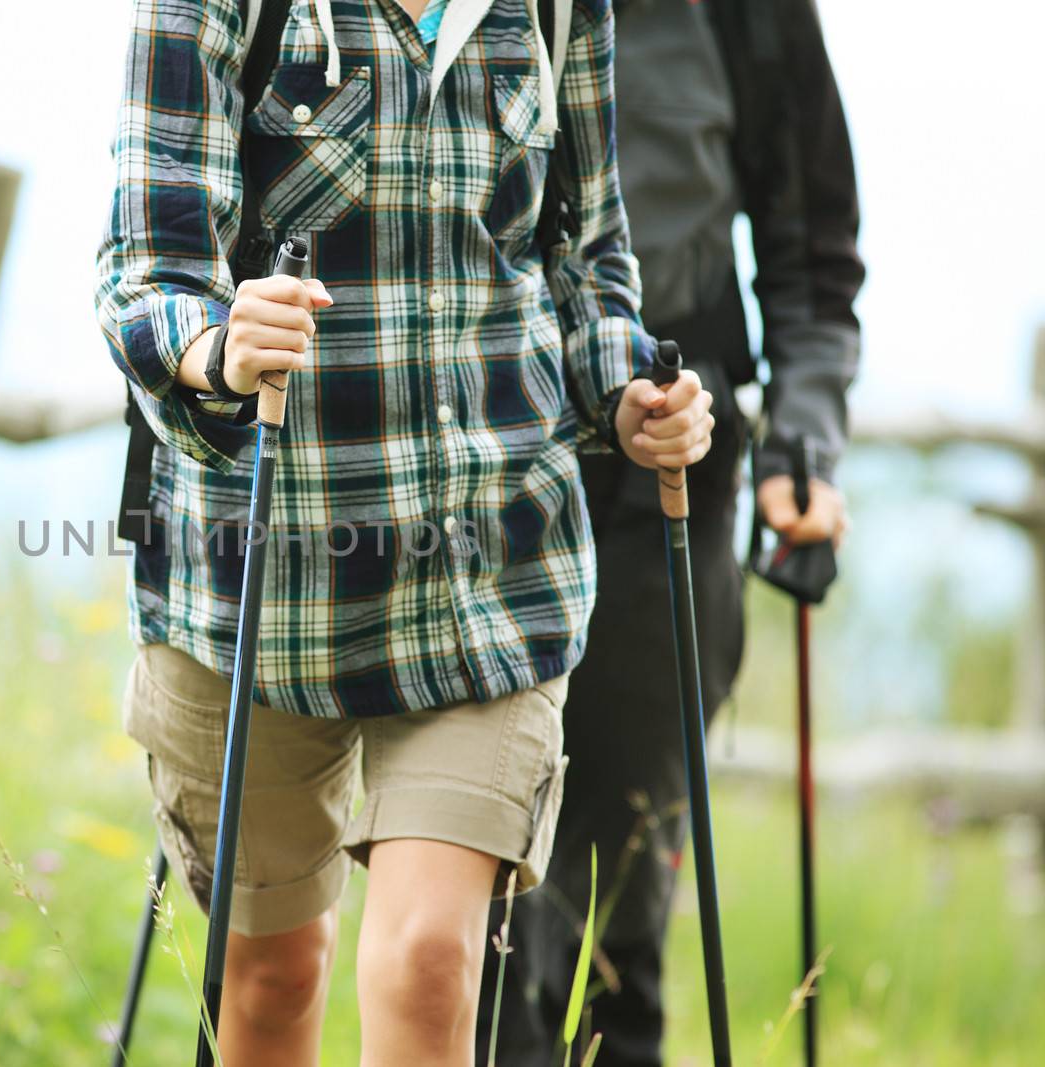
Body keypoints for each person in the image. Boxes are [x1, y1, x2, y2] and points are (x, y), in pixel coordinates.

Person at [94, 0, 717, 1062]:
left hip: (492, 566)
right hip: (255, 582)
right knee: (269, 981)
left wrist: (627, 393)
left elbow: (589, 257)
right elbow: (146, 268)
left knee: (430, 961)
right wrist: (217, 349)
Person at [472, 0, 864, 1063]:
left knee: (614, 916)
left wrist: (806, 438)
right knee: (472, 919)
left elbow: (813, 259)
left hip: (667, 491)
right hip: (471, 487)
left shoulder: (749, 17)